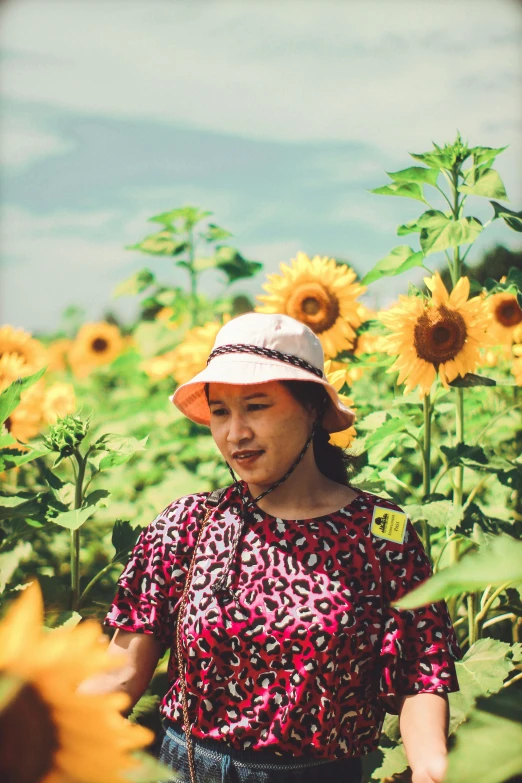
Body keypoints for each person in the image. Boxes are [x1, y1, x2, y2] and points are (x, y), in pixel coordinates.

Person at [99, 312, 461, 783]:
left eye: (256, 406)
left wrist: (432, 766)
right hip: (186, 768)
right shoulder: (189, 524)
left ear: (312, 408)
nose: (235, 434)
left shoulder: (379, 534)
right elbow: (120, 676)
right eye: (221, 411)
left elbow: (420, 675)